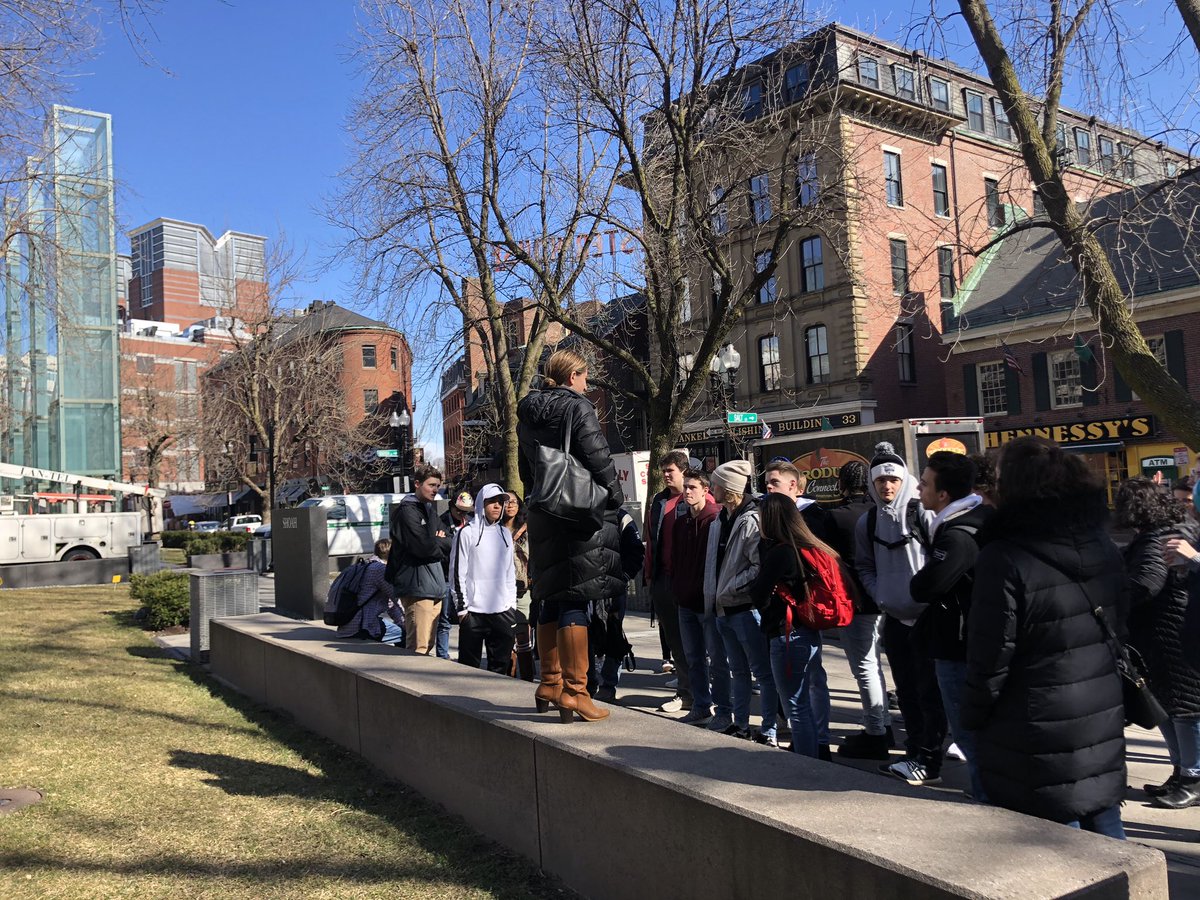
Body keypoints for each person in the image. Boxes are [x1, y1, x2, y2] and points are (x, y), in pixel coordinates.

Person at [962, 437, 1127, 839]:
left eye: (998, 480)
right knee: (1107, 826)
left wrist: (972, 715)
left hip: (1033, 715)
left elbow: (991, 654)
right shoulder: (1100, 541)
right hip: (1100, 703)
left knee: (1054, 844)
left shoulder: (1004, 557)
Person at [517, 349, 625, 723]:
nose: (587, 383)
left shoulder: (526, 412)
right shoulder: (579, 408)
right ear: (572, 375)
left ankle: (548, 682)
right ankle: (576, 692)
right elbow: (597, 456)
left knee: (549, 594)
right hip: (577, 510)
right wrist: (615, 494)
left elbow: (524, 467)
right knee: (576, 597)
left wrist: (538, 502)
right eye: (584, 376)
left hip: (543, 510)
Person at [855, 441, 944, 786]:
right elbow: (864, 565)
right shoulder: (868, 521)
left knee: (930, 690)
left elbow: (941, 555)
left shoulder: (921, 513)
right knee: (906, 689)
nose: (887, 486)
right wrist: (881, 594)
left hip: (926, 617)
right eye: (880, 481)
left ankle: (931, 755)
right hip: (894, 617)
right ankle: (914, 751)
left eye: (892, 479)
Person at [910, 451, 992, 800]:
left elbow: (925, 587)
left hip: (958, 645)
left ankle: (988, 799)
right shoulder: (977, 518)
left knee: (969, 735)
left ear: (943, 495)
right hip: (966, 638)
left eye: (925, 483)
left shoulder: (958, 534)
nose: (919, 488)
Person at [1115, 477, 1200, 808]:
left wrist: (1113, 600)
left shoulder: (1161, 538)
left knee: (1184, 707)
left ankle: (1193, 776)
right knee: (1169, 706)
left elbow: (1146, 584)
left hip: (1171, 634)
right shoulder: (1154, 536)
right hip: (1160, 634)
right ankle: (1182, 772)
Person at [751, 492, 853, 757]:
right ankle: (814, 756)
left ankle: (807, 765)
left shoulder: (780, 552)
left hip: (786, 635)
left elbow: (757, 594)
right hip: (807, 632)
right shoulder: (810, 547)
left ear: (771, 519)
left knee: (795, 706)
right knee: (804, 701)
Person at [703, 460, 778, 746]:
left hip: (745, 610)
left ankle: (769, 730)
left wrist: (731, 589)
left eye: (716, 484)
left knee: (762, 672)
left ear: (728, 489)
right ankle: (742, 724)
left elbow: (759, 567)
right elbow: (714, 564)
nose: (712, 489)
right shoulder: (719, 519)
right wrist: (715, 596)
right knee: (739, 672)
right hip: (723, 610)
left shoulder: (752, 519)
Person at [764, 459, 832, 760]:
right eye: (766, 482)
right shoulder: (788, 535)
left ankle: (815, 748)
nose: (768, 487)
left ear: (794, 486)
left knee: (801, 698)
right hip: (803, 626)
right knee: (802, 696)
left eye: (774, 482)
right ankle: (813, 743)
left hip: (794, 627)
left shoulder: (813, 520)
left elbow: (759, 589)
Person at [830, 460, 894, 759]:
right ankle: (883, 723)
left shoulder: (835, 517)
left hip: (854, 600)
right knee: (874, 665)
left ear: (842, 484)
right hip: (882, 599)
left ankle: (876, 730)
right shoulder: (879, 514)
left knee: (865, 668)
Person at [670, 468, 732, 729]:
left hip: (708, 603)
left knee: (718, 660)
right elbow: (675, 560)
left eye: (692, 487)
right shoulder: (681, 523)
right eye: (685, 487)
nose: (687, 492)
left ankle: (724, 710)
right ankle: (700, 705)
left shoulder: (715, 520)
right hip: (685, 602)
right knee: (693, 658)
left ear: (706, 491)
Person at [450, 484, 520, 674]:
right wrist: (462, 610)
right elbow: (457, 573)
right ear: (481, 503)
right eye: (492, 502)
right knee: (469, 670)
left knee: (501, 668)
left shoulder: (505, 534)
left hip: (502, 612)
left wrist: (511, 605)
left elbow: (509, 574)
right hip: (473, 612)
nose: (498, 506)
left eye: (501, 502)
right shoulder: (466, 533)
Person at [386, 464, 451, 654]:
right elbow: (423, 547)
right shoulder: (407, 511)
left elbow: (449, 540)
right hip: (416, 587)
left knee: (427, 645)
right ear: (417, 484)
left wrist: (437, 541)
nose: (435, 490)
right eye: (431, 485)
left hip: (434, 587)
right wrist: (437, 541)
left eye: (438, 486)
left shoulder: (428, 510)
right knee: (418, 648)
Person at [644, 450, 691, 712]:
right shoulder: (659, 501)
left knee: (694, 641)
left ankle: (698, 693)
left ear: (683, 471)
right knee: (674, 639)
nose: (665, 475)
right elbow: (651, 540)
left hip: (686, 581)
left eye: (670, 471)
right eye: (663, 471)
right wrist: (650, 575)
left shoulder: (694, 498)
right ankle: (685, 691)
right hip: (662, 579)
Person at [592, 508, 644, 702]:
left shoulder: (621, 517)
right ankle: (587, 681)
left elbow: (636, 551)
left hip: (613, 589)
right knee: (585, 636)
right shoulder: (579, 509)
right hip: (585, 586)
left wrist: (622, 577)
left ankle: (608, 684)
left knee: (613, 635)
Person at [336, 538, 404, 646]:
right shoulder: (381, 570)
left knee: (398, 628)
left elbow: (391, 604)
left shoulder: (366, 565)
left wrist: (400, 621)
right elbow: (396, 600)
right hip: (363, 627)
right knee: (404, 635)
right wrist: (406, 624)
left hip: (346, 625)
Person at [437, 491, 475, 660]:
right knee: (444, 620)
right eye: (459, 510)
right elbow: (440, 546)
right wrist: (451, 543)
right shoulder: (441, 522)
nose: (462, 514)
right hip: (446, 576)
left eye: (465, 511)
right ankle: (443, 655)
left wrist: (448, 542)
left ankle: (465, 655)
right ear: (451, 506)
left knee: (465, 617)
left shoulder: (472, 521)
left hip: (467, 577)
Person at [503, 494, 535, 681]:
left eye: (514, 501)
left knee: (523, 637)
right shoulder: (494, 529)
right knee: (506, 638)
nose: (510, 505)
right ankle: (508, 678)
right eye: (505, 502)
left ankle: (528, 680)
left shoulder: (527, 530)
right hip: (501, 591)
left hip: (523, 590)